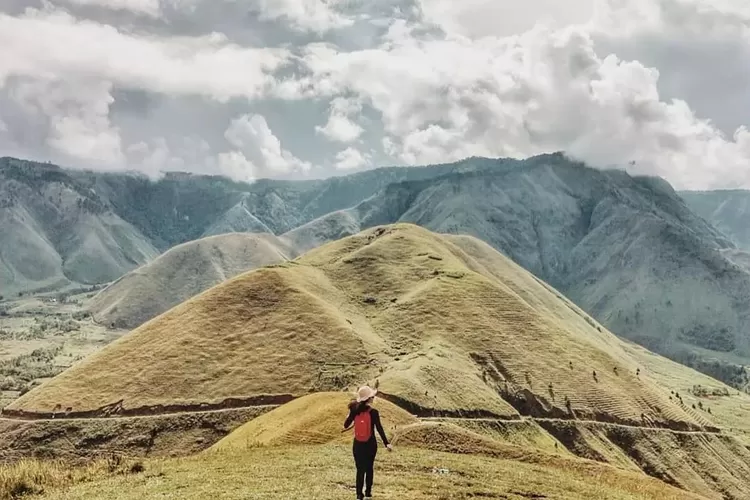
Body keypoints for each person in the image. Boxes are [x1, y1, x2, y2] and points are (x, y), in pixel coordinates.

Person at [343, 385, 392, 500]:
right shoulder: (374, 412)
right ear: (368, 398)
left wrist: (350, 415)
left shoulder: (354, 410)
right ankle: (368, 493)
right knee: (369, 468)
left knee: (360, 469)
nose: (373, 398)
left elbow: (345, 425)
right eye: (372, 396)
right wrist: (386, 443)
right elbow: (379, 428)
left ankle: (359, 495)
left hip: (358, 444)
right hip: (370, 445)